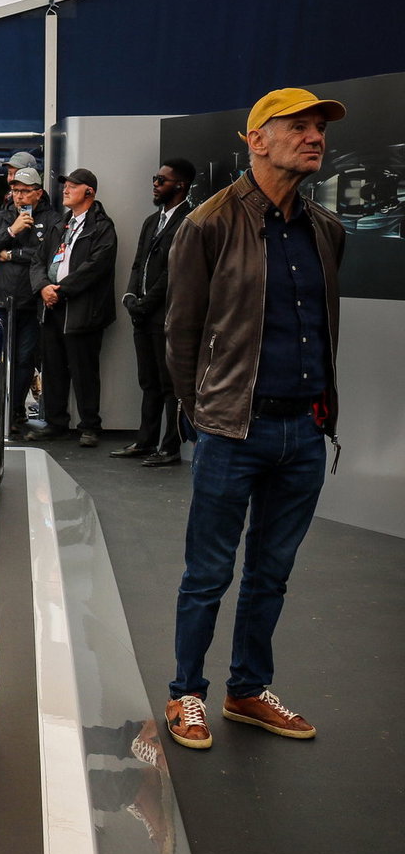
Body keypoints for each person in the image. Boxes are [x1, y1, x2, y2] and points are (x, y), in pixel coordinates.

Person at [162, 87, 346, 751]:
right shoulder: (207, 224)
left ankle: (247, 689)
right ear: (256, 140)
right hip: (232, 429)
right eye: (298, 126)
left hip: (304, 431)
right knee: (208, 572)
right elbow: (181, 335)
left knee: (272, 572)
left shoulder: (326, 230)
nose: (315, 137)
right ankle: (186, 692)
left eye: (319, 127)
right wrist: (203, 415)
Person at [112, 159, 195, 467]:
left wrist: (146, 302)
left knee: (169, 384)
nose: (155, 185)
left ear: (180, 185)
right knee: (148, 382)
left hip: (167, 315)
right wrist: (130, 296)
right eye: (155, 179)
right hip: (143, 314)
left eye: (161, 180)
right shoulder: (151, 221)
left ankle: (169, 447)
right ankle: (145, 441)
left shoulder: (189, 221)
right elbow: (138, 263)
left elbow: (176, 271)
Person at [27, 168, 117, 446]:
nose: (65, 190)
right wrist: (43, 287)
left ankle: (90, 426)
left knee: (84, 369)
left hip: (82, 309)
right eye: (65, 185)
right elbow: (38, 261)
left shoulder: (102, 226)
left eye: (72, 186)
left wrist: (61, 290)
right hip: (51, 307)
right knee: (53, 368)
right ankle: (56, 423)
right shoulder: (60, 224)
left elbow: (97, 266)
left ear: (89, 191)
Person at [0, 167, 52, 438]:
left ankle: (16, 410)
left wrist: (10, 254)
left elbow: (46, 255)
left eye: (25, 191)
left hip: (30, 302)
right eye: (16, 190)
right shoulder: (1, 217)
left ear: (38, 193)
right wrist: (11, 230)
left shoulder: (52, 218)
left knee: (23, 360)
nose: (19, 196)